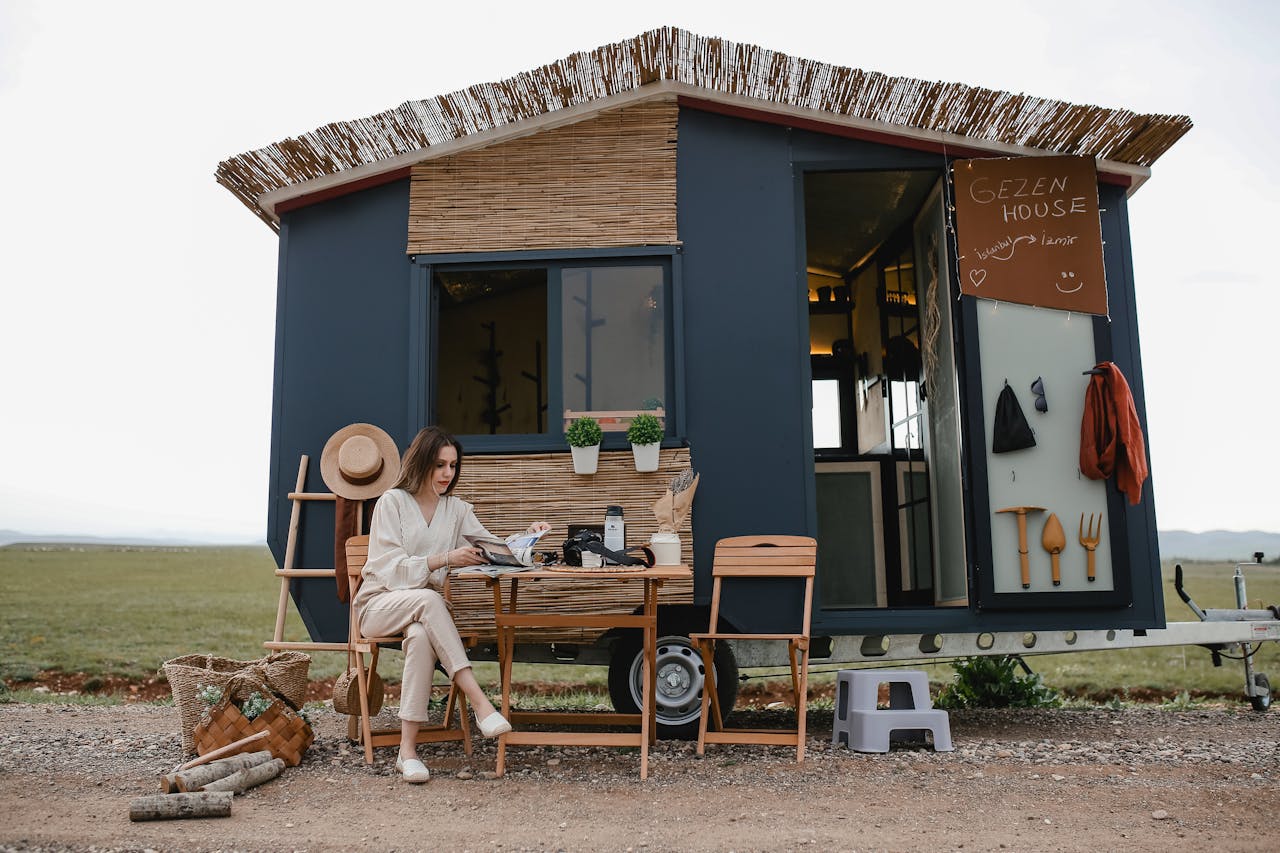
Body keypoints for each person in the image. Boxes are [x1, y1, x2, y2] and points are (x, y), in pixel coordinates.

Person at [354, 425, 551, 783]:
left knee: (419, 634)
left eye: (453, 466)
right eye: (440, 465)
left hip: (422, 615)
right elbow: (388, 570)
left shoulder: (456, 510)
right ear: (422, 463)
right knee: (429, 600)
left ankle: (407, 752)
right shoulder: (392, 502)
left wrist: (528, 537)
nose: (447, 474)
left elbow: (494, 549)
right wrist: (444, 558)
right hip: (378, 606)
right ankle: (480, 702)